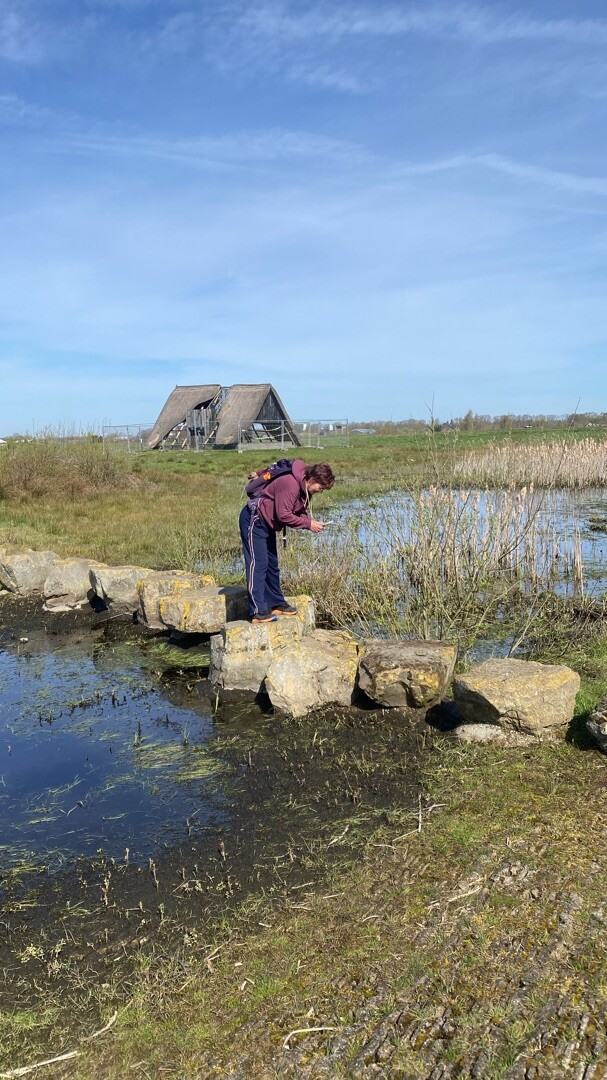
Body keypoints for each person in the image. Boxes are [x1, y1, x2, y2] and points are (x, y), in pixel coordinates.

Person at [239, 460, 335, 623]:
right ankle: (257, 612)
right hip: (254, 519)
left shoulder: (304, 488)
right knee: (258, 564)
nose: (321, 491)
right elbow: (283, 514)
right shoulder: (291, 483)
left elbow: (298, 511)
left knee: (272, 565)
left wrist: (309, 520)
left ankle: (276, 603)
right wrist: (308, 525)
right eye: (321, 487)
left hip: (267, 523)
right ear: (313, 479)